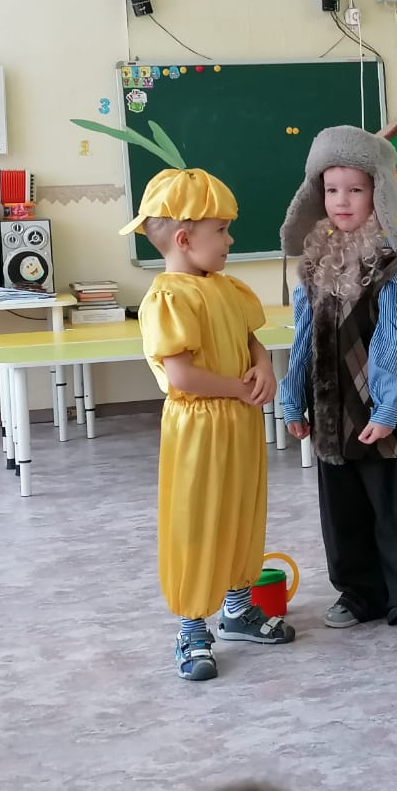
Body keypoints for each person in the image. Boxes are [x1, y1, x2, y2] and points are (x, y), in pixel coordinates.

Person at [123, 157, 294, 681]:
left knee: (241, 512)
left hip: (238, 423)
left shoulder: (226, 288)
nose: (230, 240)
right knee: (196, 522)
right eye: (221, 230)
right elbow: (181, 375)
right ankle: (192, 626)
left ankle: (237, 609)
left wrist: (263, 365)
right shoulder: (168, 297)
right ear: (183, 238)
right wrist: (242, 388)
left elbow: (249, 339)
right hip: (198, 428)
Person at [278, 126, 397, 636]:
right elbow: (303, 336)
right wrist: (292, 396)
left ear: (377, 193)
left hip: (382, 405)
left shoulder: (392, 264)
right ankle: (358, 591)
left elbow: (393, 341)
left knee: (394, 505)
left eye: (355, 189)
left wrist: (387, 407)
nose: (342, 201)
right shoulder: (313, 266)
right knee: (342, 509)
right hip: (332, 408)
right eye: (332, 190)